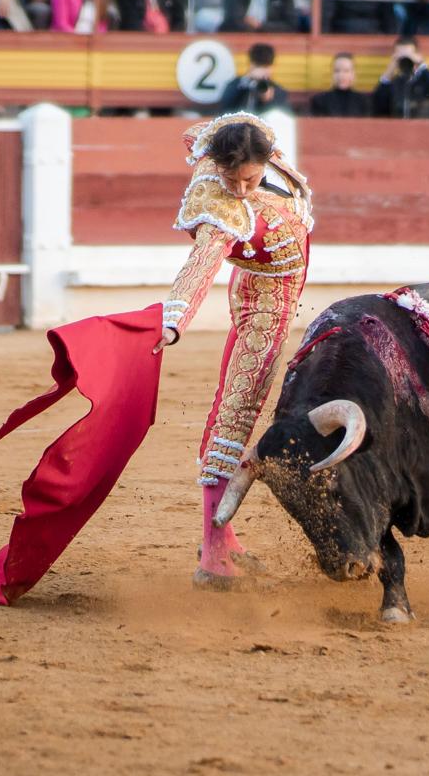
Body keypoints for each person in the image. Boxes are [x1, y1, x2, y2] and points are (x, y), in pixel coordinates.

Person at [154, 113, 314, 589]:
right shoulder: (221, 205)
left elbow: (207, 128)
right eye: (229, 178)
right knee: (234, 418)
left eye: (247, 178)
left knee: (233, 411)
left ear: (266, 159)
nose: (239, 190)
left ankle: (225, 542)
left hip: (267, 286)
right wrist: (173, 321)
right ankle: (214, 552)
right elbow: (200, 264)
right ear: (215, 166)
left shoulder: (255, 144)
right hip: (266, 307)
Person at [372, 34, 429, 117]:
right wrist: (388, 72)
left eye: (408, 56)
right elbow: (378, 104)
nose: (405, 60)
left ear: (417, 55)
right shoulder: (394, 83)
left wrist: (421, 64)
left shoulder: (426, 78)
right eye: (401, 57)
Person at [220, 42, 290, 113]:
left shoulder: (278, 91)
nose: (261, 72)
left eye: (265, 67)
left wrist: (267, 99)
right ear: (251, 64)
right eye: (258, 66)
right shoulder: (237, 84)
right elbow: (226, 103)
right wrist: (247, 80)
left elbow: (280, 113)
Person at [310, 51, 372, 116]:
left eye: (346, 71)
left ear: (353, 74)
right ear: (332, 73)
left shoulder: (363, 101)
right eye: (337, 71)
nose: (341, 75)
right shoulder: (319, 100)